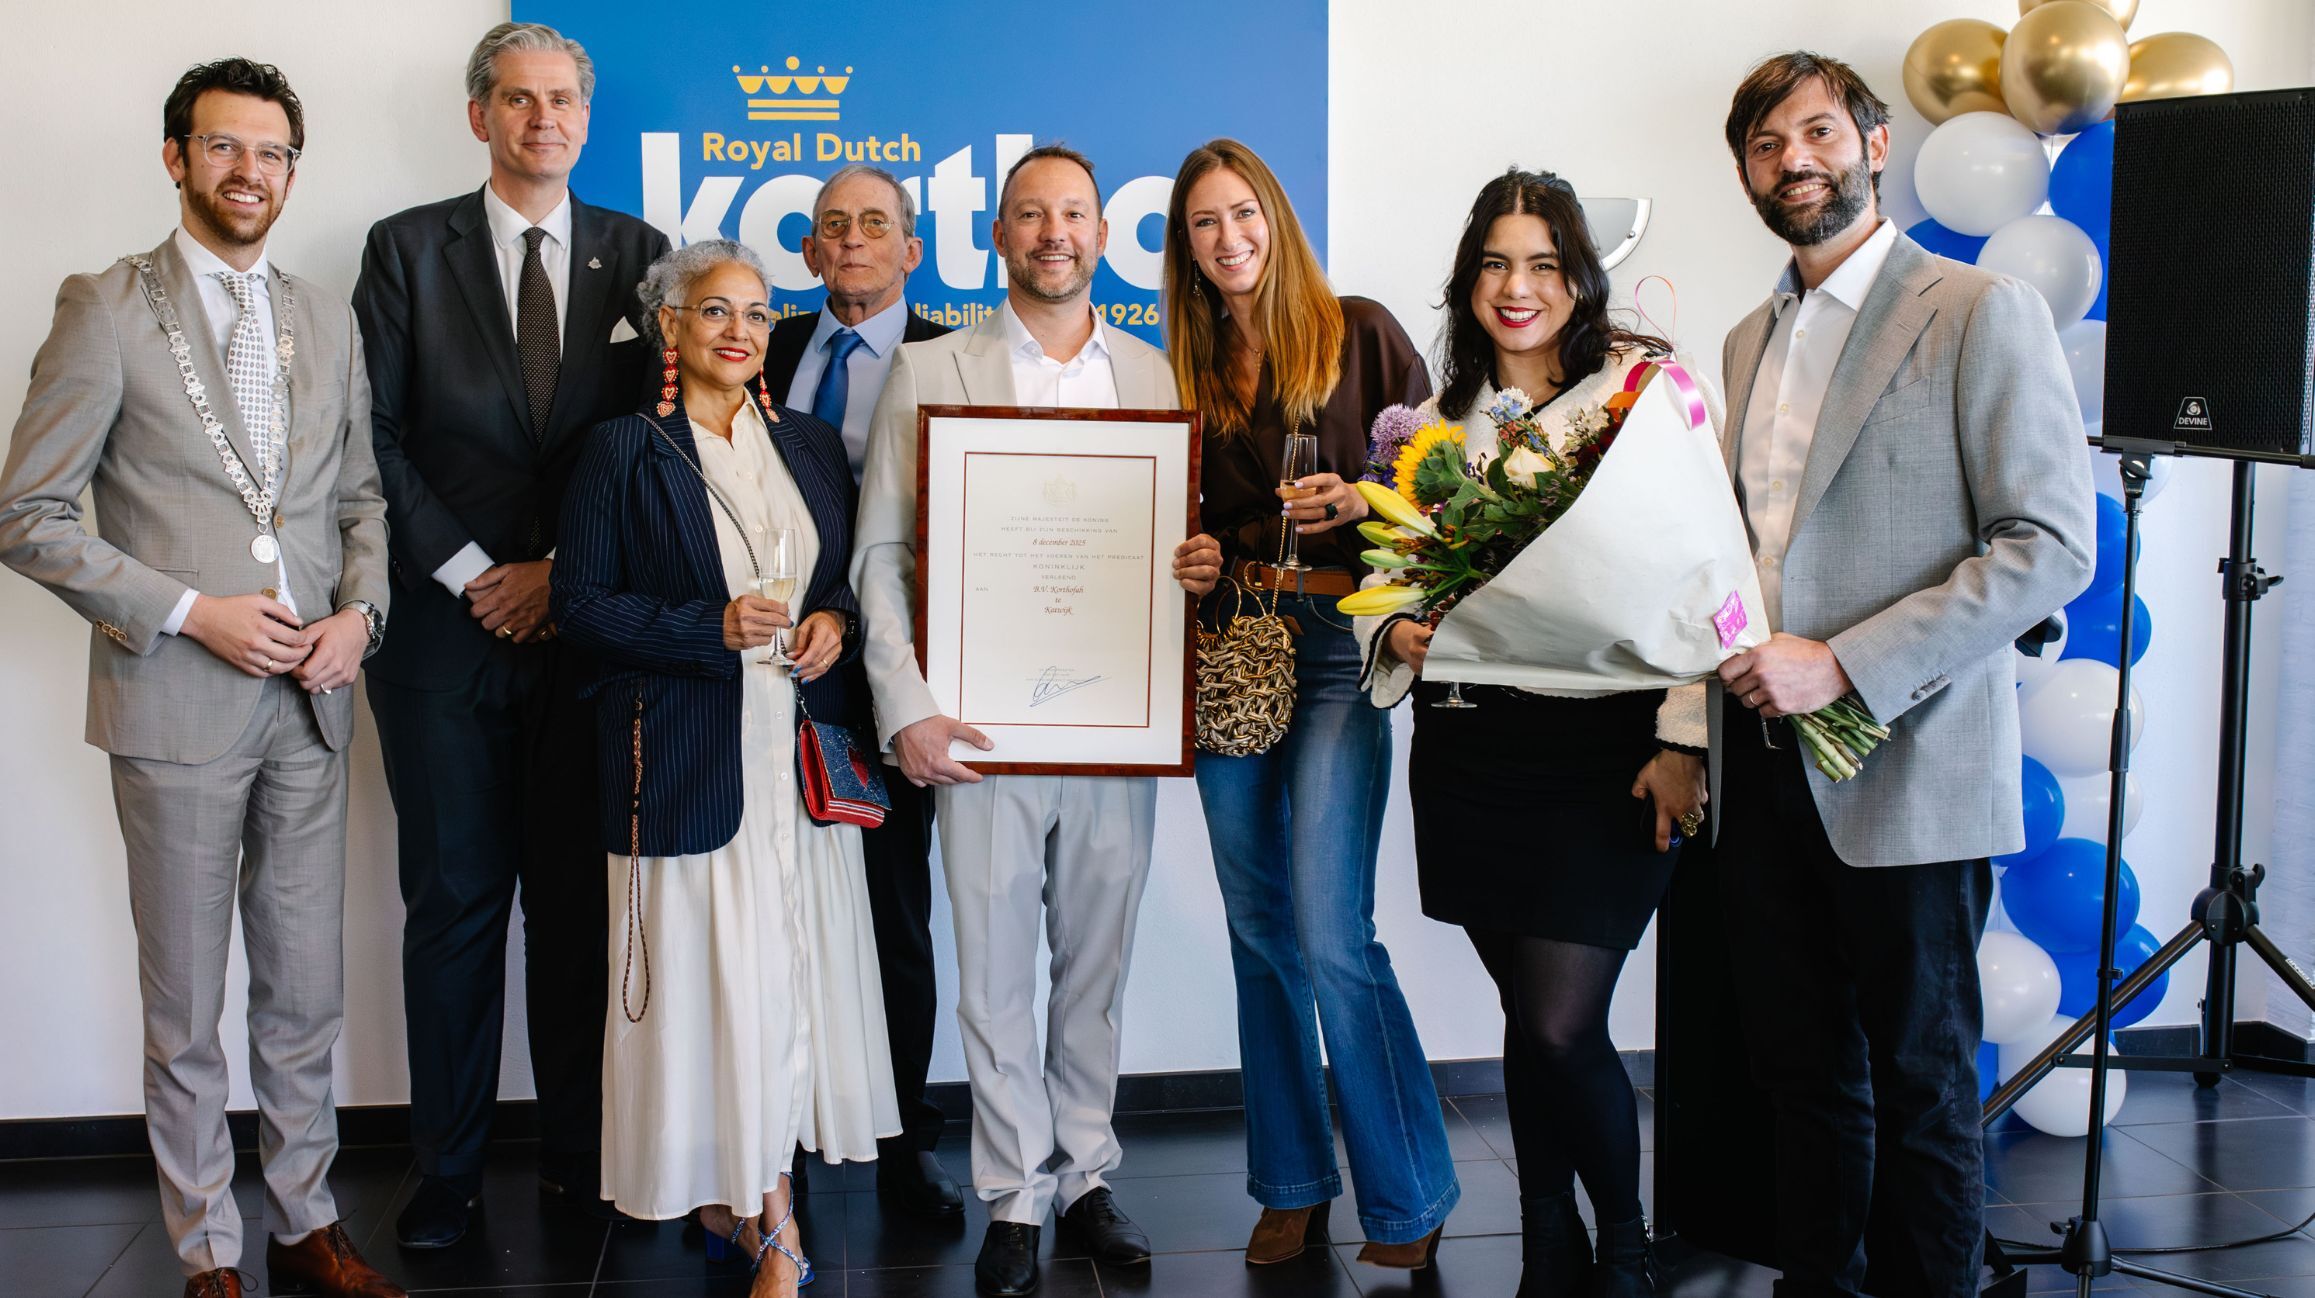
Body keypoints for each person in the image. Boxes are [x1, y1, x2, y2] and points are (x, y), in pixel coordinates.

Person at [0, 59, 403, 1298]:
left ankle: (304, 1222)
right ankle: (206, 1250)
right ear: (176, 157)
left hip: (314, 705)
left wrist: (361, 615)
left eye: (272, 152)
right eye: (224, 146)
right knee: (185, 1004)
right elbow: (28, 514)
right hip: (174, 703)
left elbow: (359, 499)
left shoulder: (325, 316)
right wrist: (190, 612)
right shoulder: (105, 305)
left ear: (291, 171)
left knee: (305, 992)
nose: (250, 171)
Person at [1713, 52, 2094, 1297]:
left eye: (1816, 132)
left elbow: (2048, 547)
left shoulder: (1977, 308)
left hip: (1912, 763)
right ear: (1745, 173)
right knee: (1798, 1074)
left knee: (1922, 1080)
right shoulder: (1743, 340)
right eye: (1766, 145)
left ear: (1874, 145)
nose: (1793, 160)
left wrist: (1844, 662)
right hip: (1761, 764)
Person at [851, 143, 1222, 1298]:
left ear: (1102, 235)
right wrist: (907, 707)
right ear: (997, 234)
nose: (1052, 232)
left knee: (1095, 967)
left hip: (1113, 724)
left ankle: (1084, 1175)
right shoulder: (929, 368)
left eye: (1072, 214)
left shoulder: (1153, 372)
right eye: (1029, 213)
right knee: (993, 973)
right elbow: (880, 554)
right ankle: (1013, 1191)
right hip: (977, 732)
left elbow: (1171, 542)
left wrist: (1196, 566)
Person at [1359, 167, 1709, 1297]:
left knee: (1560, 1024)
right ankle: (1546, 1240)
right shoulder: (1432, 427)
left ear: (1579, 278)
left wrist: (1683, 740)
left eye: (1544, 264)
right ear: (1468, 280)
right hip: (1470, 754)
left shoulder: (1637, 399)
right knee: (1529, 1014)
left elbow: (1706, 574)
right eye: (1496, 264)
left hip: (1603, 754)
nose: (1518, 287)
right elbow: (1387, 576)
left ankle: (1625, 1248)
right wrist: (1395, 630)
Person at [352, 21, 671, 1247]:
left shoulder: (640, 256)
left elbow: (657, 444)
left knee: (581, 911)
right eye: (519, 99)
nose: (544, 119)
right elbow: (372, 436)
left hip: (587, 639)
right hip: (444, 639)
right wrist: (480, 571)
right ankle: (445, 1170)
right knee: (453, 906)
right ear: (478, 115)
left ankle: (582, 1159)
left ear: (586, 119)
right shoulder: (404, 250)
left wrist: (559, 575)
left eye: (562, 100)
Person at [552, 239, 899, 1298]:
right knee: (720, 996)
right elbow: (579, 608)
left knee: (786, 987)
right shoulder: (624, 448)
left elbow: (838, 580)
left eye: (754, 313)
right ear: (670, 325)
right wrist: (705, 626)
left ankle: (744, 1204)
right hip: (687, 766)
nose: (739, 331)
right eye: (714, 311)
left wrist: (834, 622)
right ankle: (769, 1222)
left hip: (798, 772)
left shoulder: (807, 445)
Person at [1162, 138, 1459, 1270]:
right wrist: (1198, 554)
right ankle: (1289, 1180)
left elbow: (1446, 492)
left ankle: (1410, 1192)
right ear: (1185, 247)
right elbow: (1180, 518)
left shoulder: (1360, 330)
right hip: (1234, 641)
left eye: (1242, 213)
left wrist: (1365, 498)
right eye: (1203, 222)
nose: (1227, 236)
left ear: (1275, 220)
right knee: (1259, 928)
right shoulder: (1183, 368)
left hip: (1340, 644)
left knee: (1334, 930)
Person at [759, 162, 962, 1218]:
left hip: (891, 676)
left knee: (893, 911)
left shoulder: (952, 359)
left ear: (911, 249)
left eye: (873, 224)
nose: (850, 240)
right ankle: (772, 1148)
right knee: (770, 912)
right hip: (766, 671)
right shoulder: (760, 348)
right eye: (832, 224)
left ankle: (904, 1142)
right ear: (806, 250)